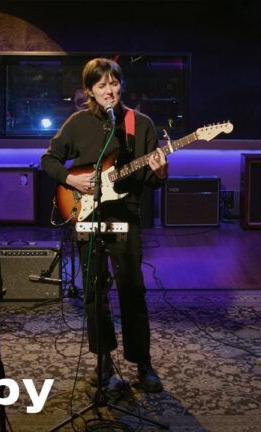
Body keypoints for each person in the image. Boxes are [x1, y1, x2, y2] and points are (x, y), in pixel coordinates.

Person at [41, 58, 168, 393]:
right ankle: (102, 361)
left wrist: (160, 171)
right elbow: (48, 159)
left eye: (114, 83)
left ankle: (142, 362)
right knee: (94, 292)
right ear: (90, 90)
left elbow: (152, 181)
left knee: (132, 290)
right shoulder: (77, 122)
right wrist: (70, 179)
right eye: (101, 85)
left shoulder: (140, 124)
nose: (109, 90)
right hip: (87, 215)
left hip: (126, 216)